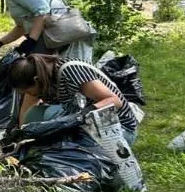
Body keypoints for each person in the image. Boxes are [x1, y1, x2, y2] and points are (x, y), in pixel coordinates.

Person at [9, 54, 140, 144]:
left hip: (116, 128)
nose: (29, 94)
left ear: (36, 80)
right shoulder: (42, 75)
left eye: (27, 91)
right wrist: (22, 135)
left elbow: (115, 101)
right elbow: (27, 111)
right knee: (35, 114)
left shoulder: (70, 71)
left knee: (65, 144)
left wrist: (82, 115)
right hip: (85, 121)